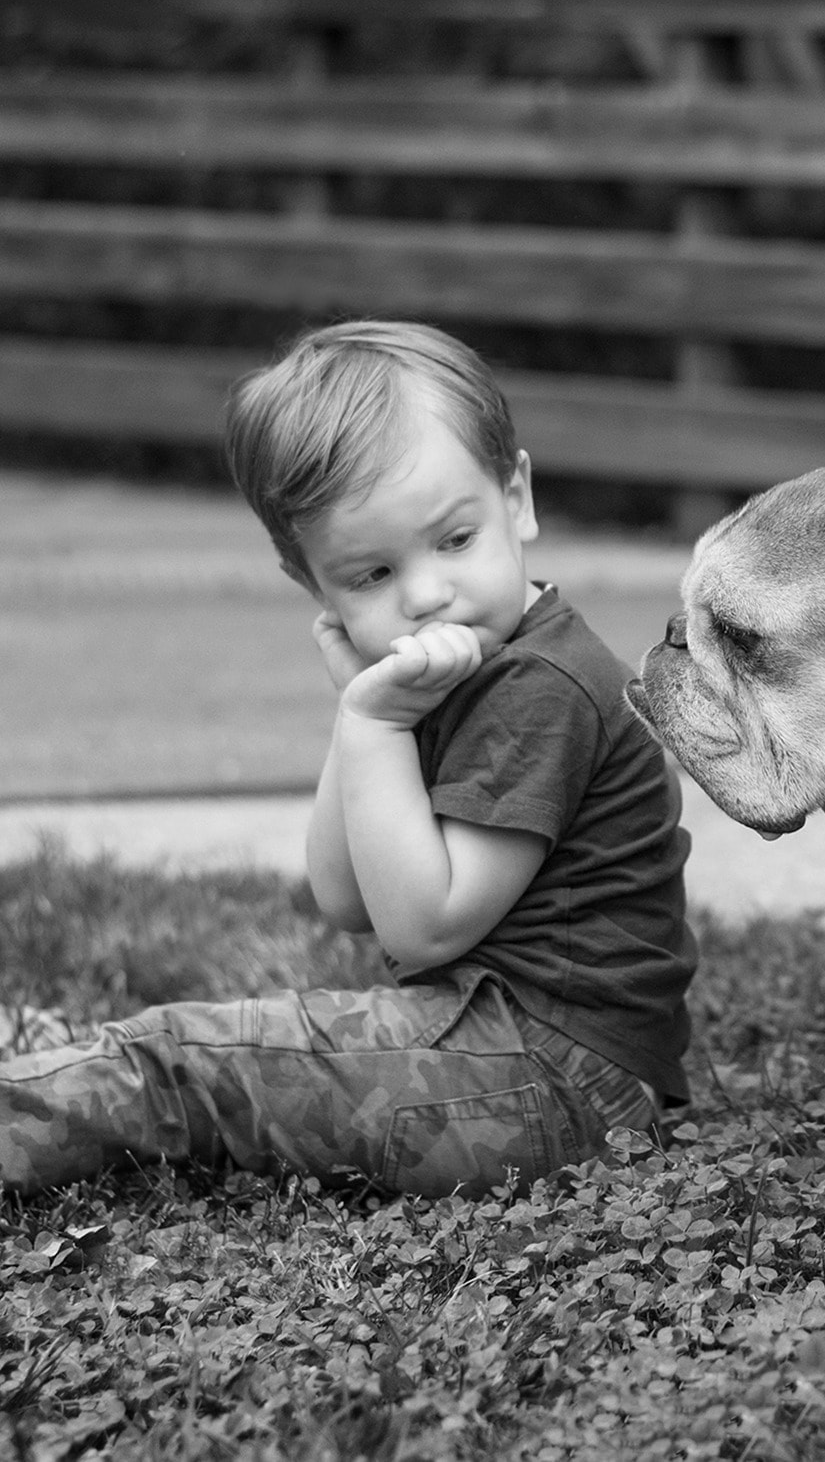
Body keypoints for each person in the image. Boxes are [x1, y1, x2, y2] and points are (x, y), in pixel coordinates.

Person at [0, 320, 698, 1198]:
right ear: (314, 586)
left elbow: (424, 926)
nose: (425, 593)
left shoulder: (541, 684)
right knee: (186, 1052)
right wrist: (360, 712)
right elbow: (343, 898)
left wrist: (376, 727)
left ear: (515, 496)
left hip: (552, 1080)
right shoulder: (466, 669)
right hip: (520, 1064)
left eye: (455, 540)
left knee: (179, 1062)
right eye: (370, 576)